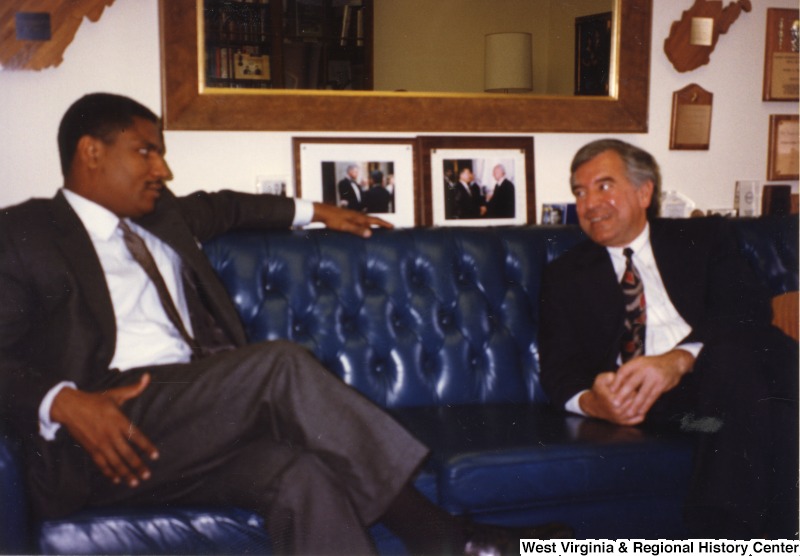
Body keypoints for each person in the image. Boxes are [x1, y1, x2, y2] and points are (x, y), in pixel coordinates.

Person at [0, 93, 571, 555]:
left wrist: (323, 213)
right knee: (280, 365)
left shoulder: (161, 219)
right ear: (90, 152)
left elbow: (231, 206)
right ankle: (436, 534)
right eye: (146, 151)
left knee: (300, 476)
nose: (163, 168)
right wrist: (62, 402)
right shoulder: (25, 233)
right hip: (105, 432)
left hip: (191, 428)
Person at [539, 139, 798, 539]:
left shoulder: (703, 237)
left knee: (738, 361)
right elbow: (558, 370)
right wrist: (596, 403)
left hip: (730, 375)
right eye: (579, 191)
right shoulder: (563, 276)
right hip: (679, 413)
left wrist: (679, 359)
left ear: (644, 192)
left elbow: (745, 309)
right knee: (760, 404)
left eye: (604, 186)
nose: (588, 204)